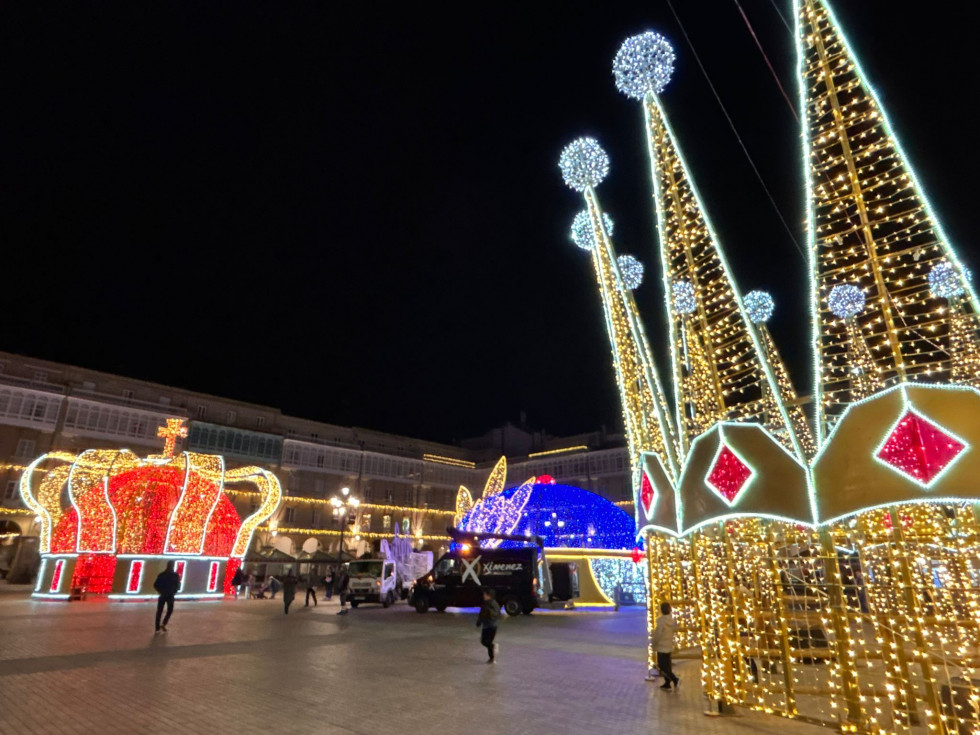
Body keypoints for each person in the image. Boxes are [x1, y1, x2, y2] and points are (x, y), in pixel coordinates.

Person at [652, 601, 680, 690]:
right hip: (668, 645)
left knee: (662, 666)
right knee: (667, 665)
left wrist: (654, 642)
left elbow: (658, 634)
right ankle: (667, 682)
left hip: (661, 646)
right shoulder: (671, 621)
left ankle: (674, 679)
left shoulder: (661, 622)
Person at [153, 561, 181, 634]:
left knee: (159, 611)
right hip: (170, 595)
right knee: (170, 610)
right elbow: (178, 585)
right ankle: (164, 623)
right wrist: (174, 591)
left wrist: (160, 591)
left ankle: (157, 628)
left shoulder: (162, 575)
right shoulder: (175, 575)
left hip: (163, 595)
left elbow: (155, 585)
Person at [476, 588, 501, 663]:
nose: (483, 596)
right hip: (486, 625)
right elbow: (481, 614)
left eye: (485, 594)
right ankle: (492, 650)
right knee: (484, 641)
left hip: (492, 625)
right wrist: (479, 621)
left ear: (488, 595)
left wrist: (488, 612)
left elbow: (496, 614)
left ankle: (491, 658)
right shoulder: (485, 603)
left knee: (488, 642)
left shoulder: (494, 604)